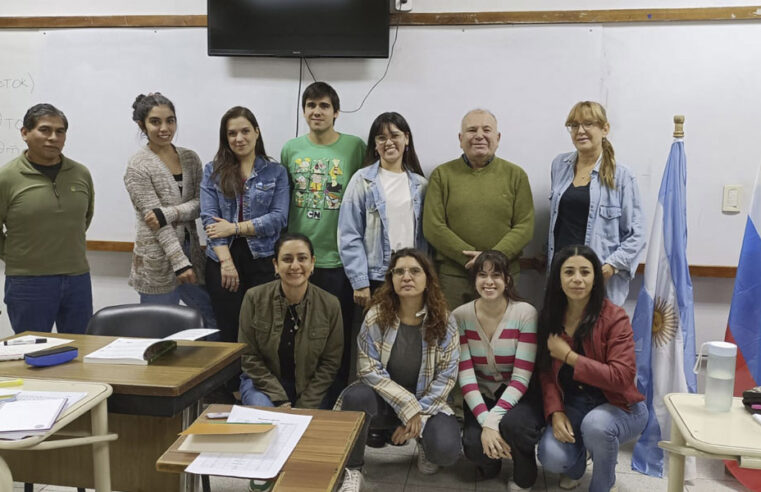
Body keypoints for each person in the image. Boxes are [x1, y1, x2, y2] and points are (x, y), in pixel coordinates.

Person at [336, 248, 460, 492]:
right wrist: (407, 408)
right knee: (356, 396)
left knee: (446, 450)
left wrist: (418, 416)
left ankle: (423, 441)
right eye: (399, 271)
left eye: (415, 271)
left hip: (427, 405)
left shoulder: (445, 321)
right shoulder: (375, 316)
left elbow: (446, 377)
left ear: (428, 279)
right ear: (391, 279)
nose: (406, 277)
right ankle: (353, 470)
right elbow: (368, 370)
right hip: (385, 402)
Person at [536, 245, 647, 492]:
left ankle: (603, 485)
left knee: (596, 426)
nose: (577, 279)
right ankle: (578, 466)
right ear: (558, 278)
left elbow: (621, 377)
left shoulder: (615, 317)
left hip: (621, 405)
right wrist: (555, 411)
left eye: (585, 272)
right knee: (550, 456)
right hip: (574, 403)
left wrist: (570, 357)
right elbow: (546, 373)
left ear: (596, 277)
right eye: (569, 272)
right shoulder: (550, 316)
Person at [280, 81, 366, 393]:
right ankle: (297, 394)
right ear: (304, 111)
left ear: (336, 112)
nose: (317, 111)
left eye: (324, 105)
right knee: (297, 332)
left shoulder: (355, 146)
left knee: (335, 336)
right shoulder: (291, 149)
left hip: (337, 259)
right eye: (311, 105)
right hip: (298, 261)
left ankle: (332, 398)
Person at [423, 108, 534, 310]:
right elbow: (433, 226)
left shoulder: (516, 175)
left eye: (486, 130)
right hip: (454, 277)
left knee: (501, 337)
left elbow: (524, 226)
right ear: (460, 138)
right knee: (452, 337)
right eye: (472, 130)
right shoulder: (442, 175)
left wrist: (491, 259)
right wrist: (472, 258)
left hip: (503, 275)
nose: (479, 136)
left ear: (497, 137)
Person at [124, 93, 216, 328]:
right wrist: (179, 263)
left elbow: (200, 203)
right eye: (155, 122)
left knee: (209, 318)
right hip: (158, 257)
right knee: (159, 328)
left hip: (191, 252)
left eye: (170, 120)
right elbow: (155, 223)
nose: (164, 128)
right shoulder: (138, 165)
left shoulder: (190, 158)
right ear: (141, 125)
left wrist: (170, 213)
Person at [454, 250, 544, 491]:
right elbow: (467, 378)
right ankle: (490, 462)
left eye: (496, 275)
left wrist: (492, 422)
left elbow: (521, 378)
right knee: (473, 444)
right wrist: (486, 423)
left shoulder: (525, 313)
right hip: (481, 394)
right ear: (474, 280)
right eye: (482, 275)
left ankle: (523, 468)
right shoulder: (460, 316)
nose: (489, 281)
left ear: (508, 280)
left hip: (519, 395)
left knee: (514, 426)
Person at [0, 103, 94, 334]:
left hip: (77, 278)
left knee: (79, 352)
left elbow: (85, 218)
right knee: (31, 355)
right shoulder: (7, 177)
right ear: (25, 133)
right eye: (45, 130)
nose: (53, 137)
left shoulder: (80, 173)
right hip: (28, 282)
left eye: (60, 131)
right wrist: (18, 256)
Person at [200, 106, 289, 343]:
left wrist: (235, 228)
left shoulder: (275, 172)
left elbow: (279, 218)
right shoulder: (212, 171)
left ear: (257, 132)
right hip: (222, 259)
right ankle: (231, 381)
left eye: (245, 131)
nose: (239, 138)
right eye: (232, 133)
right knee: (228, 331)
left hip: (262, 259)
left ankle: (255, 381)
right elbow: (210, 219)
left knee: (261, 331)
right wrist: (226, 263)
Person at [548, 101, 645, 306]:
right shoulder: (559, 165)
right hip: (562, 276)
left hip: (600, 281)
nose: (580, 131)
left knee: (596, 336)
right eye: (574, 125)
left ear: (605, 129)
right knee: (559, 335)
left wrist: (610, 267)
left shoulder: (622, 176)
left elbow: (637, 234)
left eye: (588, 123)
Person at [238, 233, 343, 408]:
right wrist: (279, 398)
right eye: (287, 259)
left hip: (311, 388)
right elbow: (248, 356)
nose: (295, 266)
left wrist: (305, 405)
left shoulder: (330, 304)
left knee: (308, 430)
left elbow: (330, 364)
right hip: (262, 384)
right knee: (267, 420)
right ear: (276, 265)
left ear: (312, 263)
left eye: (302, 258)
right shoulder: (254, 298)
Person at [338, 111, 428, 308]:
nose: (388, 142)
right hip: (375, 278)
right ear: (375, 145)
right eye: (381, 138)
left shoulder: (421, 185)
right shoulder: (361, 181)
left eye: (395, 135)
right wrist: (360, 281)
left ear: (406, 139)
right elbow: (348, 234)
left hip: (411, 276)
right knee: (374, 336)